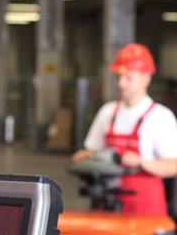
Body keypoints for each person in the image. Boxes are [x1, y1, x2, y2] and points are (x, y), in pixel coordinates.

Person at [72, 43, 177, 216]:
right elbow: (92, 152)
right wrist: (84, 157)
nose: (121, 84)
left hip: (145, 210)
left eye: (128, 78)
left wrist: (141, 162)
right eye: (119, 77)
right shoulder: (108, 112)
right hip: (107, 206)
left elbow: (174, 165)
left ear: (146, 77)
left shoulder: (160, 117)